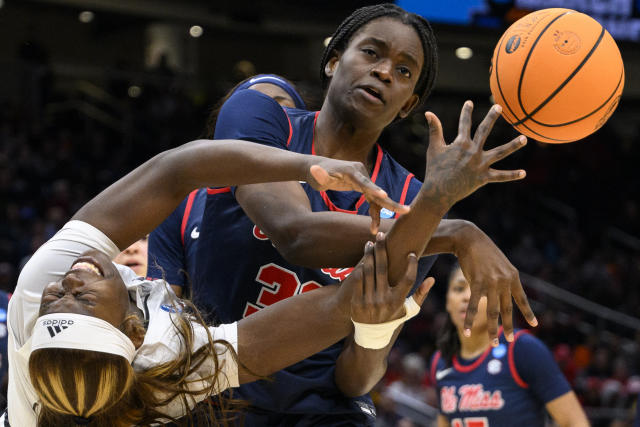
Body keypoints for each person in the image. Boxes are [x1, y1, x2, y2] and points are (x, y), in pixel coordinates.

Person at [193, 3, 535, 424]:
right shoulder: (262, 118)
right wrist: (454, 228)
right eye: (372, 53)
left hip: (321, 407)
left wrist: (374, 333)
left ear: (408, 104)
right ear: (334, 60)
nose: (385, 72)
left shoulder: (411, 197)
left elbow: (355, 380)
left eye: (405, 71)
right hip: (214, 385)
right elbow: (295, 233)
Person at [6, 139, 428, 426]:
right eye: (79, 301)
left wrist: (308, 165)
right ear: (133, 334)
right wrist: (442, 210)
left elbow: (177, 169)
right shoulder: (170, 367)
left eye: (54, 301)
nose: (66, 285)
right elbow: (341, 306)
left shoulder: (40, 281)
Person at [147, 74, 306, 298]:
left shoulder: (330, 192)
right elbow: (163, 305)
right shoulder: (180, 201)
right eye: (249, 104)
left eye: (280, 105)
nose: (261, 113)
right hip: (218, 332)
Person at [430, 265, 590, 427]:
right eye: (459, 289)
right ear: (448, 302)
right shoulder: (440, 361)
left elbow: (574, 422)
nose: (467, 297)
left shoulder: (523, 349)